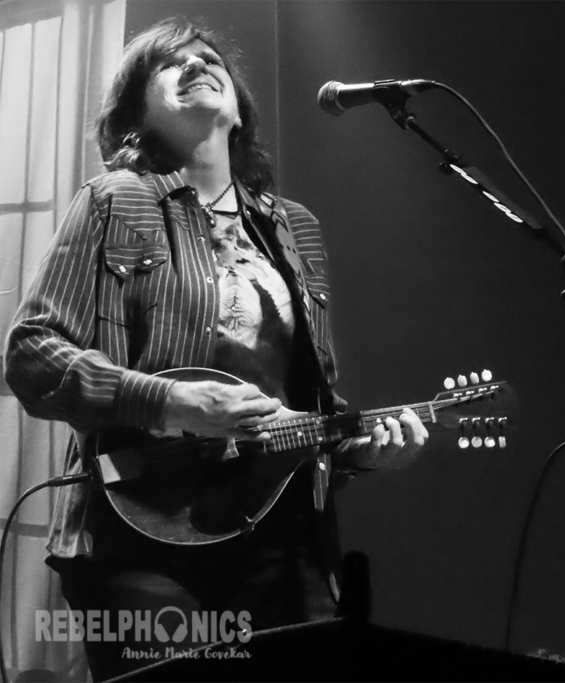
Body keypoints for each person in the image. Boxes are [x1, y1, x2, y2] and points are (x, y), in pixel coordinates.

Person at [4, 18, 427, 680]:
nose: (197, 65)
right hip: (139, 534)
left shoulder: (295, 229)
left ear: (239, 111)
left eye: (210, 59)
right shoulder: (115, 201)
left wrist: (360, 447)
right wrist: (173, 402)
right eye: (170, 63)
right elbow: (31, 353)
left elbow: (308, 405)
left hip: (283, 539)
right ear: (136, 112)